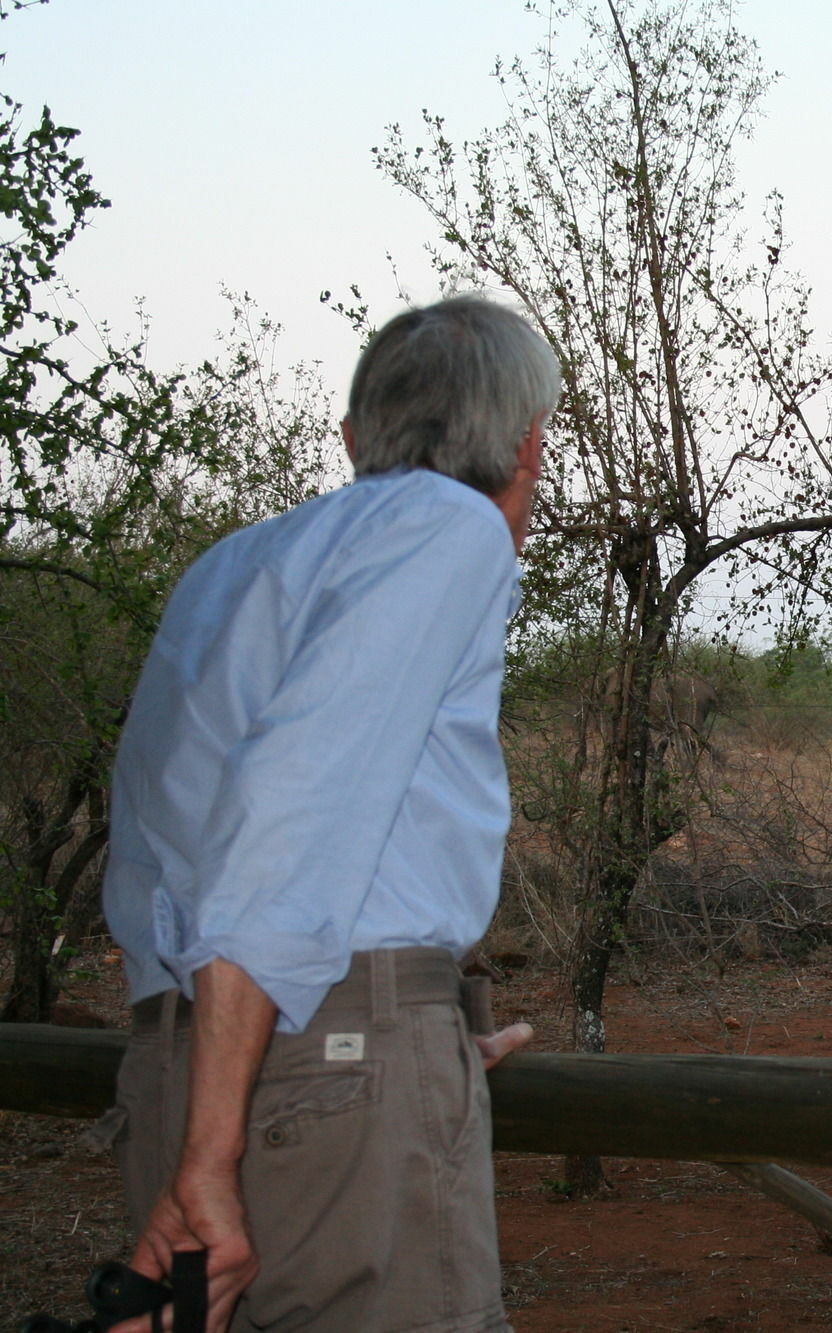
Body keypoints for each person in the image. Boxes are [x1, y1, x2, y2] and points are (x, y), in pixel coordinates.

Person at [99, 294, 556, 1332]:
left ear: (353, 438)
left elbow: (179, 834)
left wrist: (421, 1029)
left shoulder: (233, 563)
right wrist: (223, 1148)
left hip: (181, 1055)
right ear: (530, 444)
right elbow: (289, 819)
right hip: (309, 1077)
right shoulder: (453, 529)